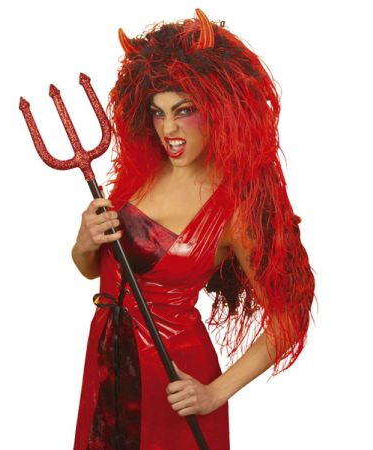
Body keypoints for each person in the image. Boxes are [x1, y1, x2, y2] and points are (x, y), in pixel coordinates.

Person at [71, 8, 315, 450]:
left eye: (184, 111)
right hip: (107, 360)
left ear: (218, 109)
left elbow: (290, 316)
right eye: (158, 113)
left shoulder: (237, 208)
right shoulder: (140, 176)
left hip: (176, 379)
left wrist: (215, 392)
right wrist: (85, 241)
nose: (168, 129)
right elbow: (95, 271)